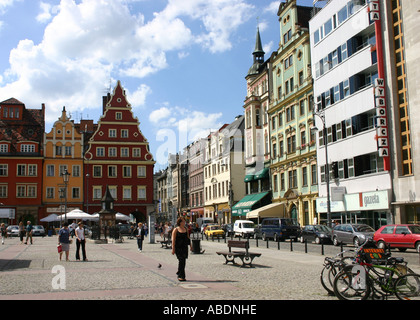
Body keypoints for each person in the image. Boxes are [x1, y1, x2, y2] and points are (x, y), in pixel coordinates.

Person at [171, 217, 192, 282]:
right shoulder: (176, 229)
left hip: (184, 247)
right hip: (178, 247)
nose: (184, 222)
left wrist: (191, 245)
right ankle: (181, 276)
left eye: (184, 221)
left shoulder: (185, 229)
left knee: (184, 261)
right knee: (181, 260)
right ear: (179, 222)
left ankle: (179, 272)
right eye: (183, 221)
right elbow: (173, 239)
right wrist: (173, 248)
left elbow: (188, 238)